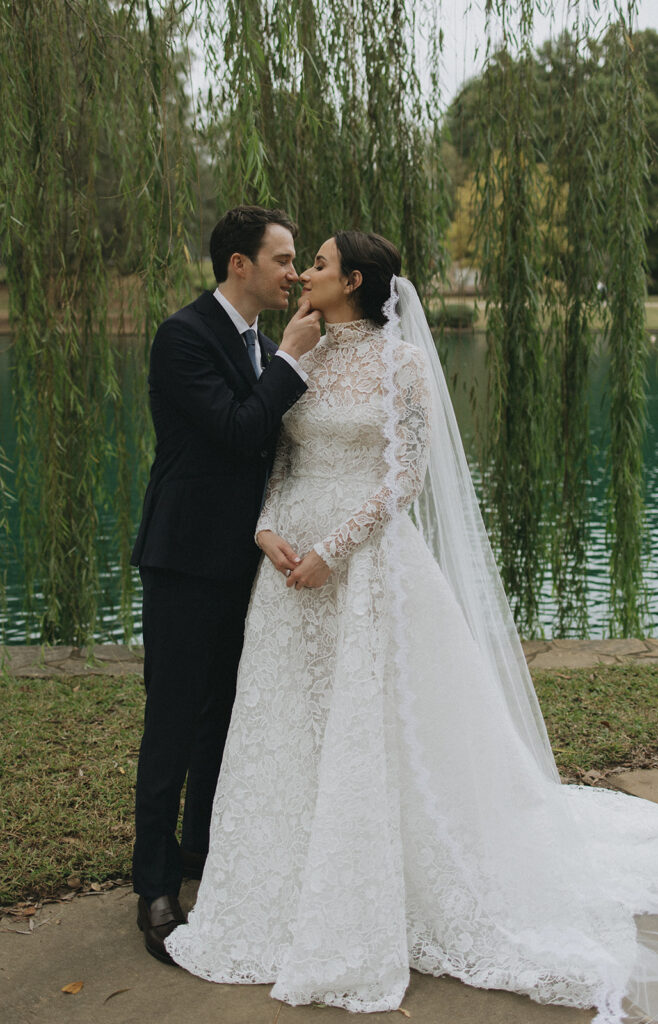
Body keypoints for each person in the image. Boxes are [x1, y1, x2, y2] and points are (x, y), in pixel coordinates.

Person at [166, 231, 658, 1023]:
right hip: (286, 569)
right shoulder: (296, 351)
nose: (305, 272)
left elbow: (401, 477)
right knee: (289, 725)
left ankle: (387, 876)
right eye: (299, 261)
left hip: (362, 565)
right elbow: (274, 457)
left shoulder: (400, 364)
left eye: (321, 264)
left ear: (356, 281)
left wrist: (332, 552)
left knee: (373, 726)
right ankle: (283, 873)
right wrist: (266, 529)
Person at [130, 205, 321, 964]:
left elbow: (272, 455)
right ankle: (152, 882)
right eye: (281, 258)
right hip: (184, 560)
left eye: (299, 259)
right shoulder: (183, 337)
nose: (294, 272)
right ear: (237, 264)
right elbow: (241, 429)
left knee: (225, 718)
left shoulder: (264, 346)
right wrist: (293, 362)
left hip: (249, 564)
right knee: (173, 722)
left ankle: (204, 852)